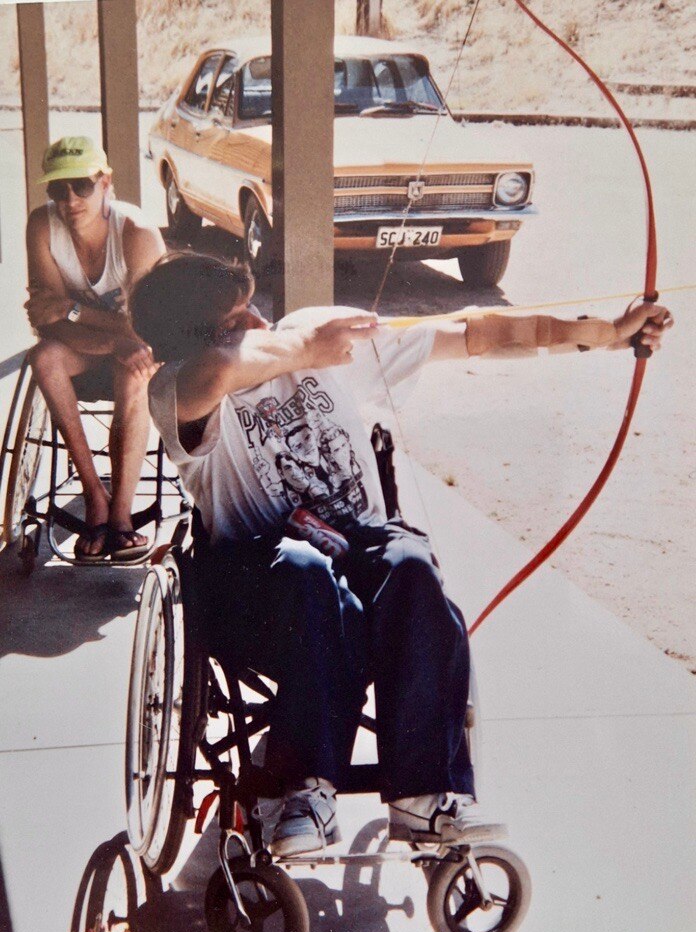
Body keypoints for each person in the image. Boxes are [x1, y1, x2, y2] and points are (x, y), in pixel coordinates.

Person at [129, 252, 673, 857]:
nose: (258, 323)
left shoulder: (314, 338)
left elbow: (473, 333)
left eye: (252, 308)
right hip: (263, 579)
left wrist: (600, 333)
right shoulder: (174, 388)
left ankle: (425, 798)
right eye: (235, 323)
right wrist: (307, 344)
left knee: (411, 565)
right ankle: (302, 791)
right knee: (307, 575)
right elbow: (215, 375)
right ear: (191, 342)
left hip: (362, 555)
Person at [24, 136, 165, 560]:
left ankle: (120, 514)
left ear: (105, 182)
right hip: (88, 347)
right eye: (57, 188)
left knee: (134, 366)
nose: (69, 199)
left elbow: (150, 329)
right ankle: (94, 496)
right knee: (43, 358)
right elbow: (43, 319)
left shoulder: (137, 234)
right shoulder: (42, 226)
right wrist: (106, 334)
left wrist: (72, 310)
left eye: (81, 185)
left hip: (139, 348)